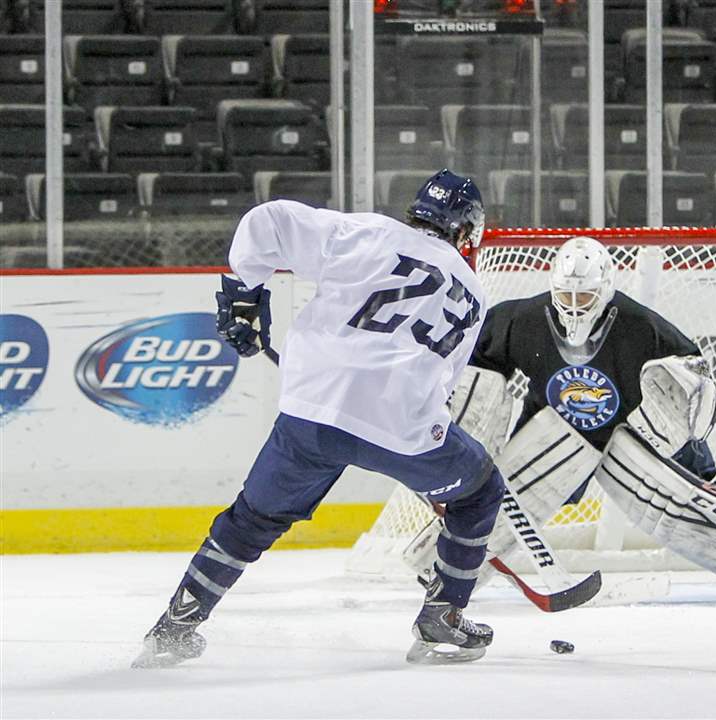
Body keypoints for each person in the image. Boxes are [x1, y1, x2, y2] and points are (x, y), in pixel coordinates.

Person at [133, 169, 505, 668]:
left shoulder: (368, 232)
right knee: (479, 491)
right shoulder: (475, 293)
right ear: (467, 230)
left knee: (252, 518)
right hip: (401, 428)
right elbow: (444, 382)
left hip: (310, 413)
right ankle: (442, 616)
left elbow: (269, 220)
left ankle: (174, 628)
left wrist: (246, 292)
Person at [426, 236, 716, 604]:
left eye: (585, 295)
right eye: (566, 295)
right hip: (552, 437)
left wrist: (685, 439)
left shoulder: (640, 326)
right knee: (494, 498)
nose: (575, 305)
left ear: (606, 288)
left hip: (625, 439)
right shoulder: (524, 319)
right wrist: (454, 437)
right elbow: (471, 360)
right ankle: (451, 567)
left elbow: (690, 382)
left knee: (669, 507)